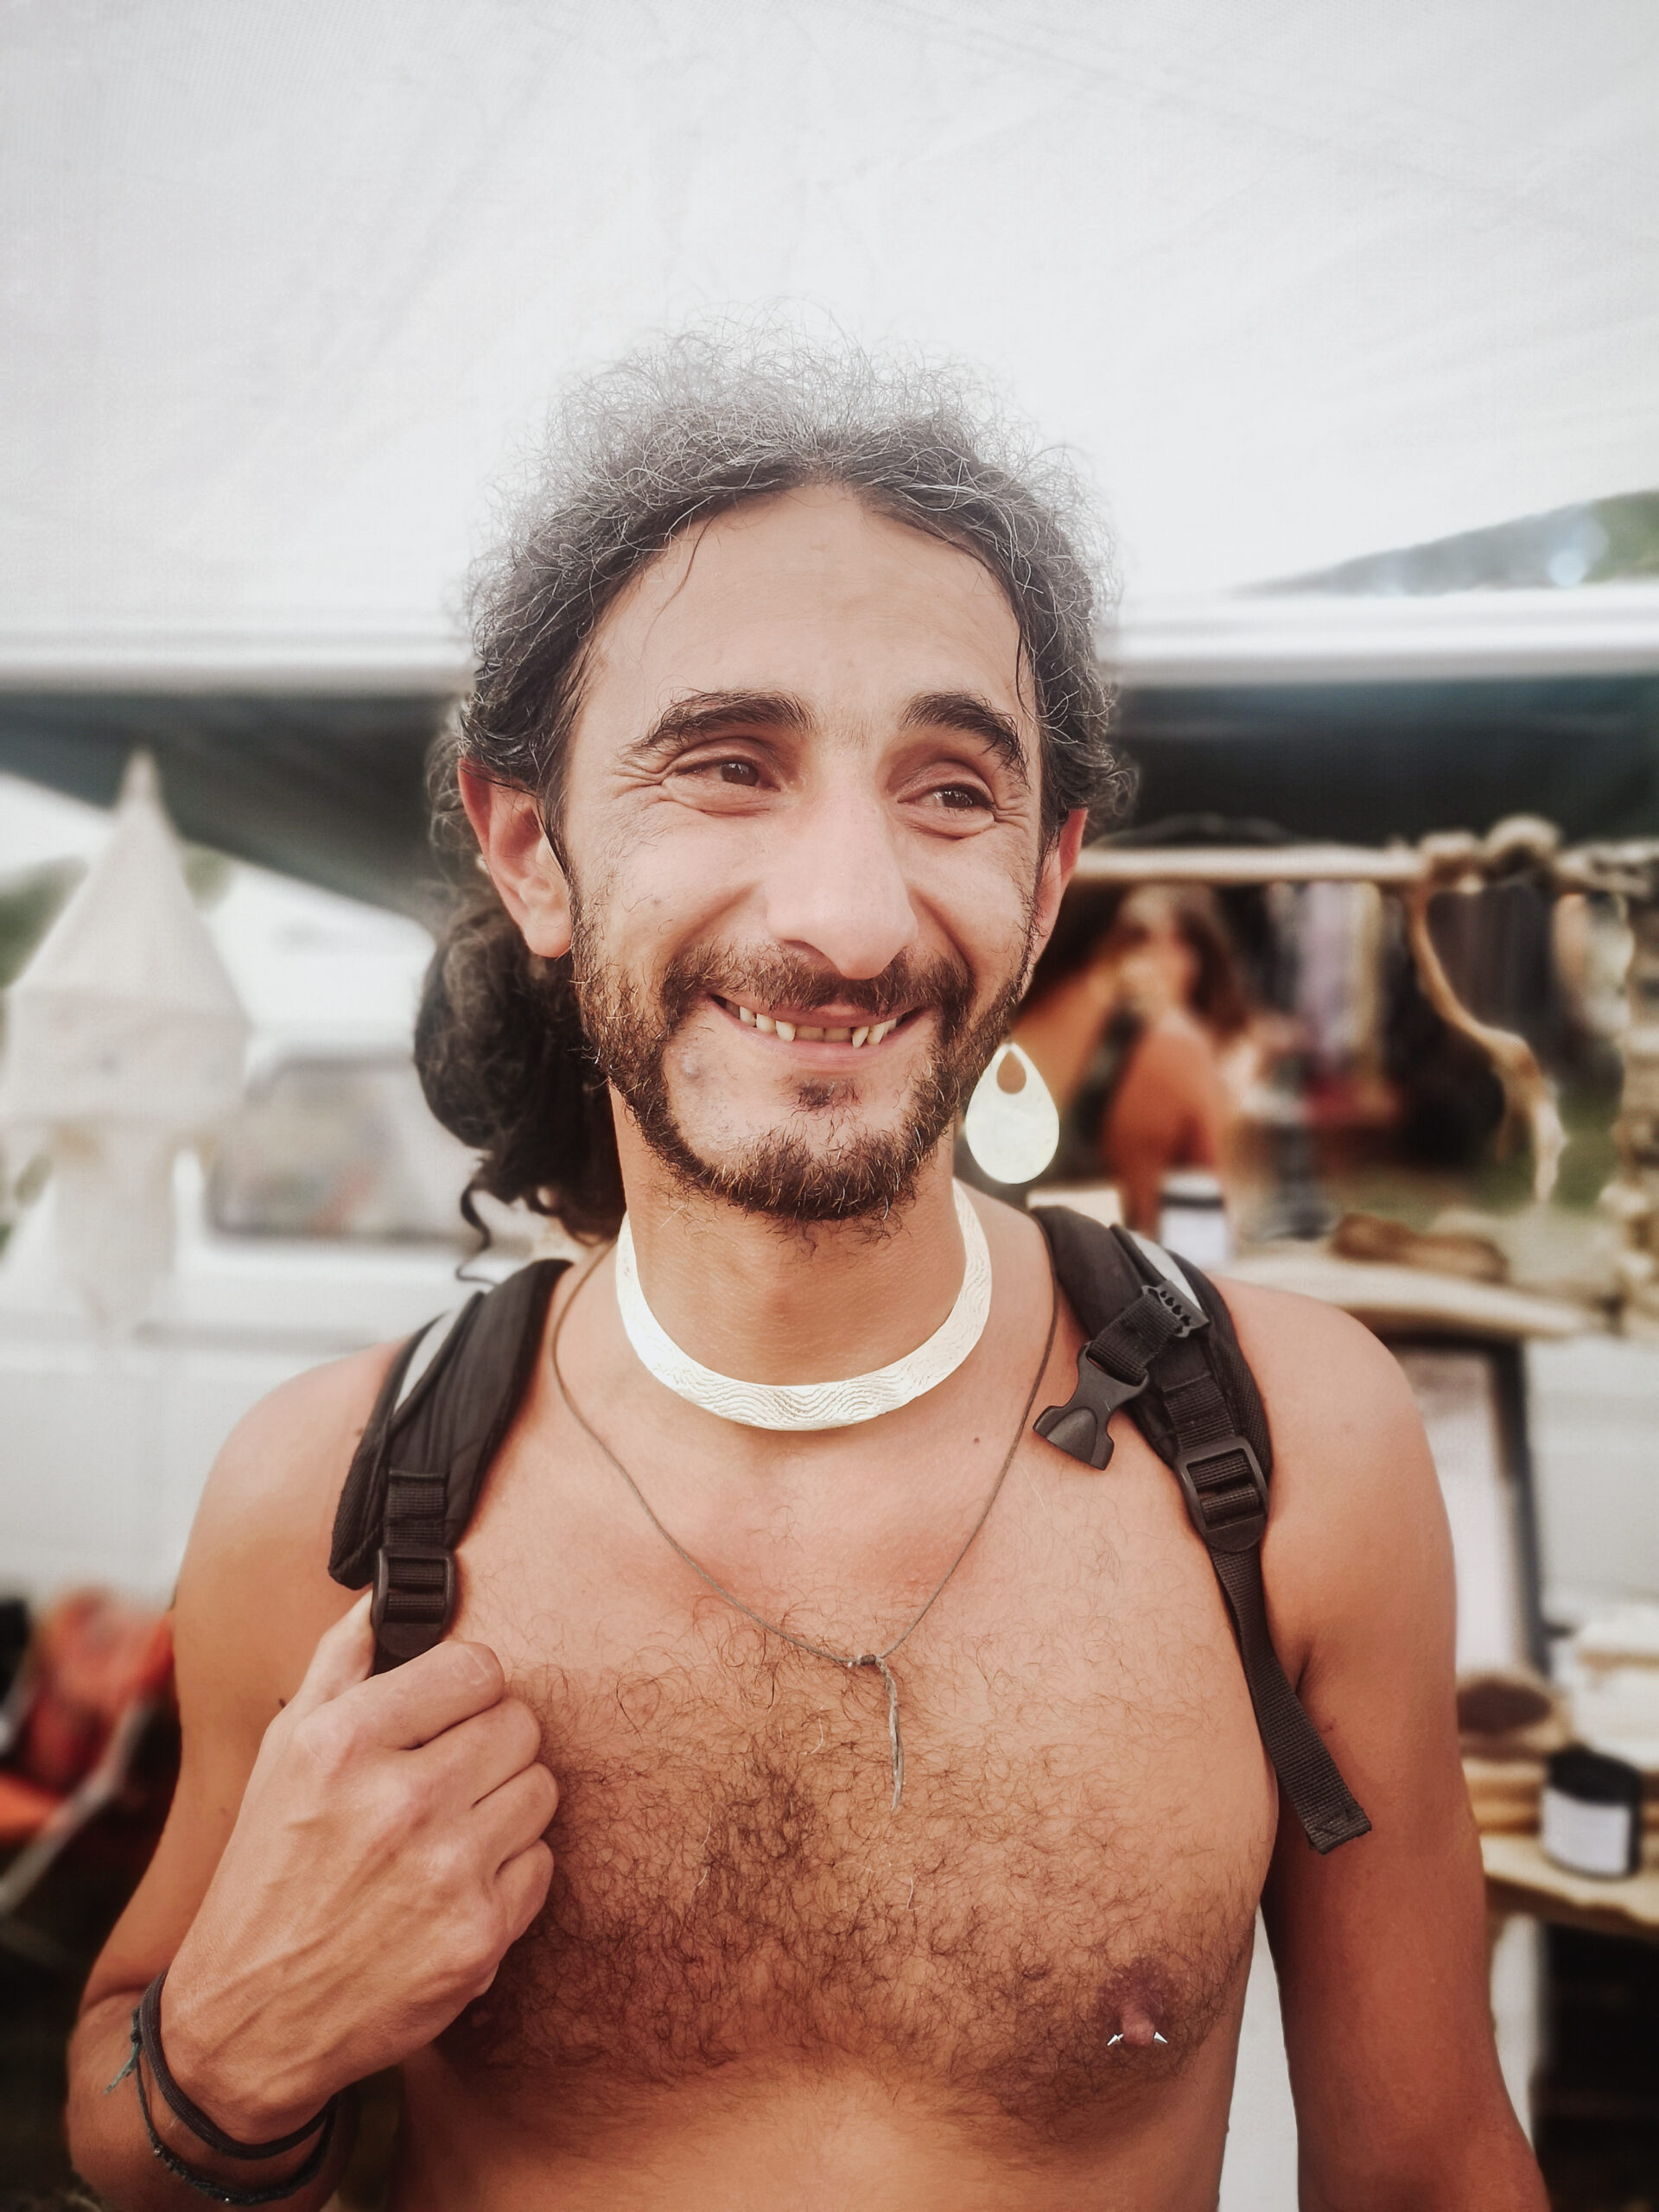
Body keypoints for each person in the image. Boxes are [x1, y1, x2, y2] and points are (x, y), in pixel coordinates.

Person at [67, 338, 1544, 2211]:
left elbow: (1432, 2167)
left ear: (1050, 875)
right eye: (726, 767)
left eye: (951, 790)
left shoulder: (1293, 1450)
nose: (845, 916)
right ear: (531, 846)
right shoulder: (330, 1502)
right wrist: (235, 2048)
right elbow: (120, 2104)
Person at [1017, 884, 1254, 1228]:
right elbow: (1211, 1214)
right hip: (1121, 1252)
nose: (1161, 960)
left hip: (1006, 1245)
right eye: (1142, 940)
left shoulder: (998, 1022)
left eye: (1180, 944)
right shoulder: (1174, 1045)